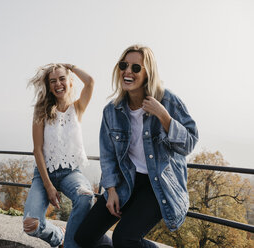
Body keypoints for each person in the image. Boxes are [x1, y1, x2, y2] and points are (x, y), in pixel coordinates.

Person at [75, 45, 199, 247]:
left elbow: (189, 143)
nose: (128, 71)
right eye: (124, 65)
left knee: (124, 238)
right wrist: (112, 189)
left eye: (135, 68)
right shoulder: (111, 111)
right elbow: (108, 156)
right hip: (127, 181)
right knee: (84, 237)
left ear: (148, 73)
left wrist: (164, 117)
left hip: (158, 184)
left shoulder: (168, 101)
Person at [23, 63, 95, 248]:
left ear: (70, 82)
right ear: (48, 86)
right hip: (44, 174)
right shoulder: (41, 110)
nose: (58, 84)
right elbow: (37, 149)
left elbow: (90, 82)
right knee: (31, 225)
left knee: (86, 196)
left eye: (62, 79)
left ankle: (70, 245)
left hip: (71, 172)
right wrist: (48, 186)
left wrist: (71, 67)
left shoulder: (77, 108)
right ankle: (58, 236)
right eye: (52, 81)